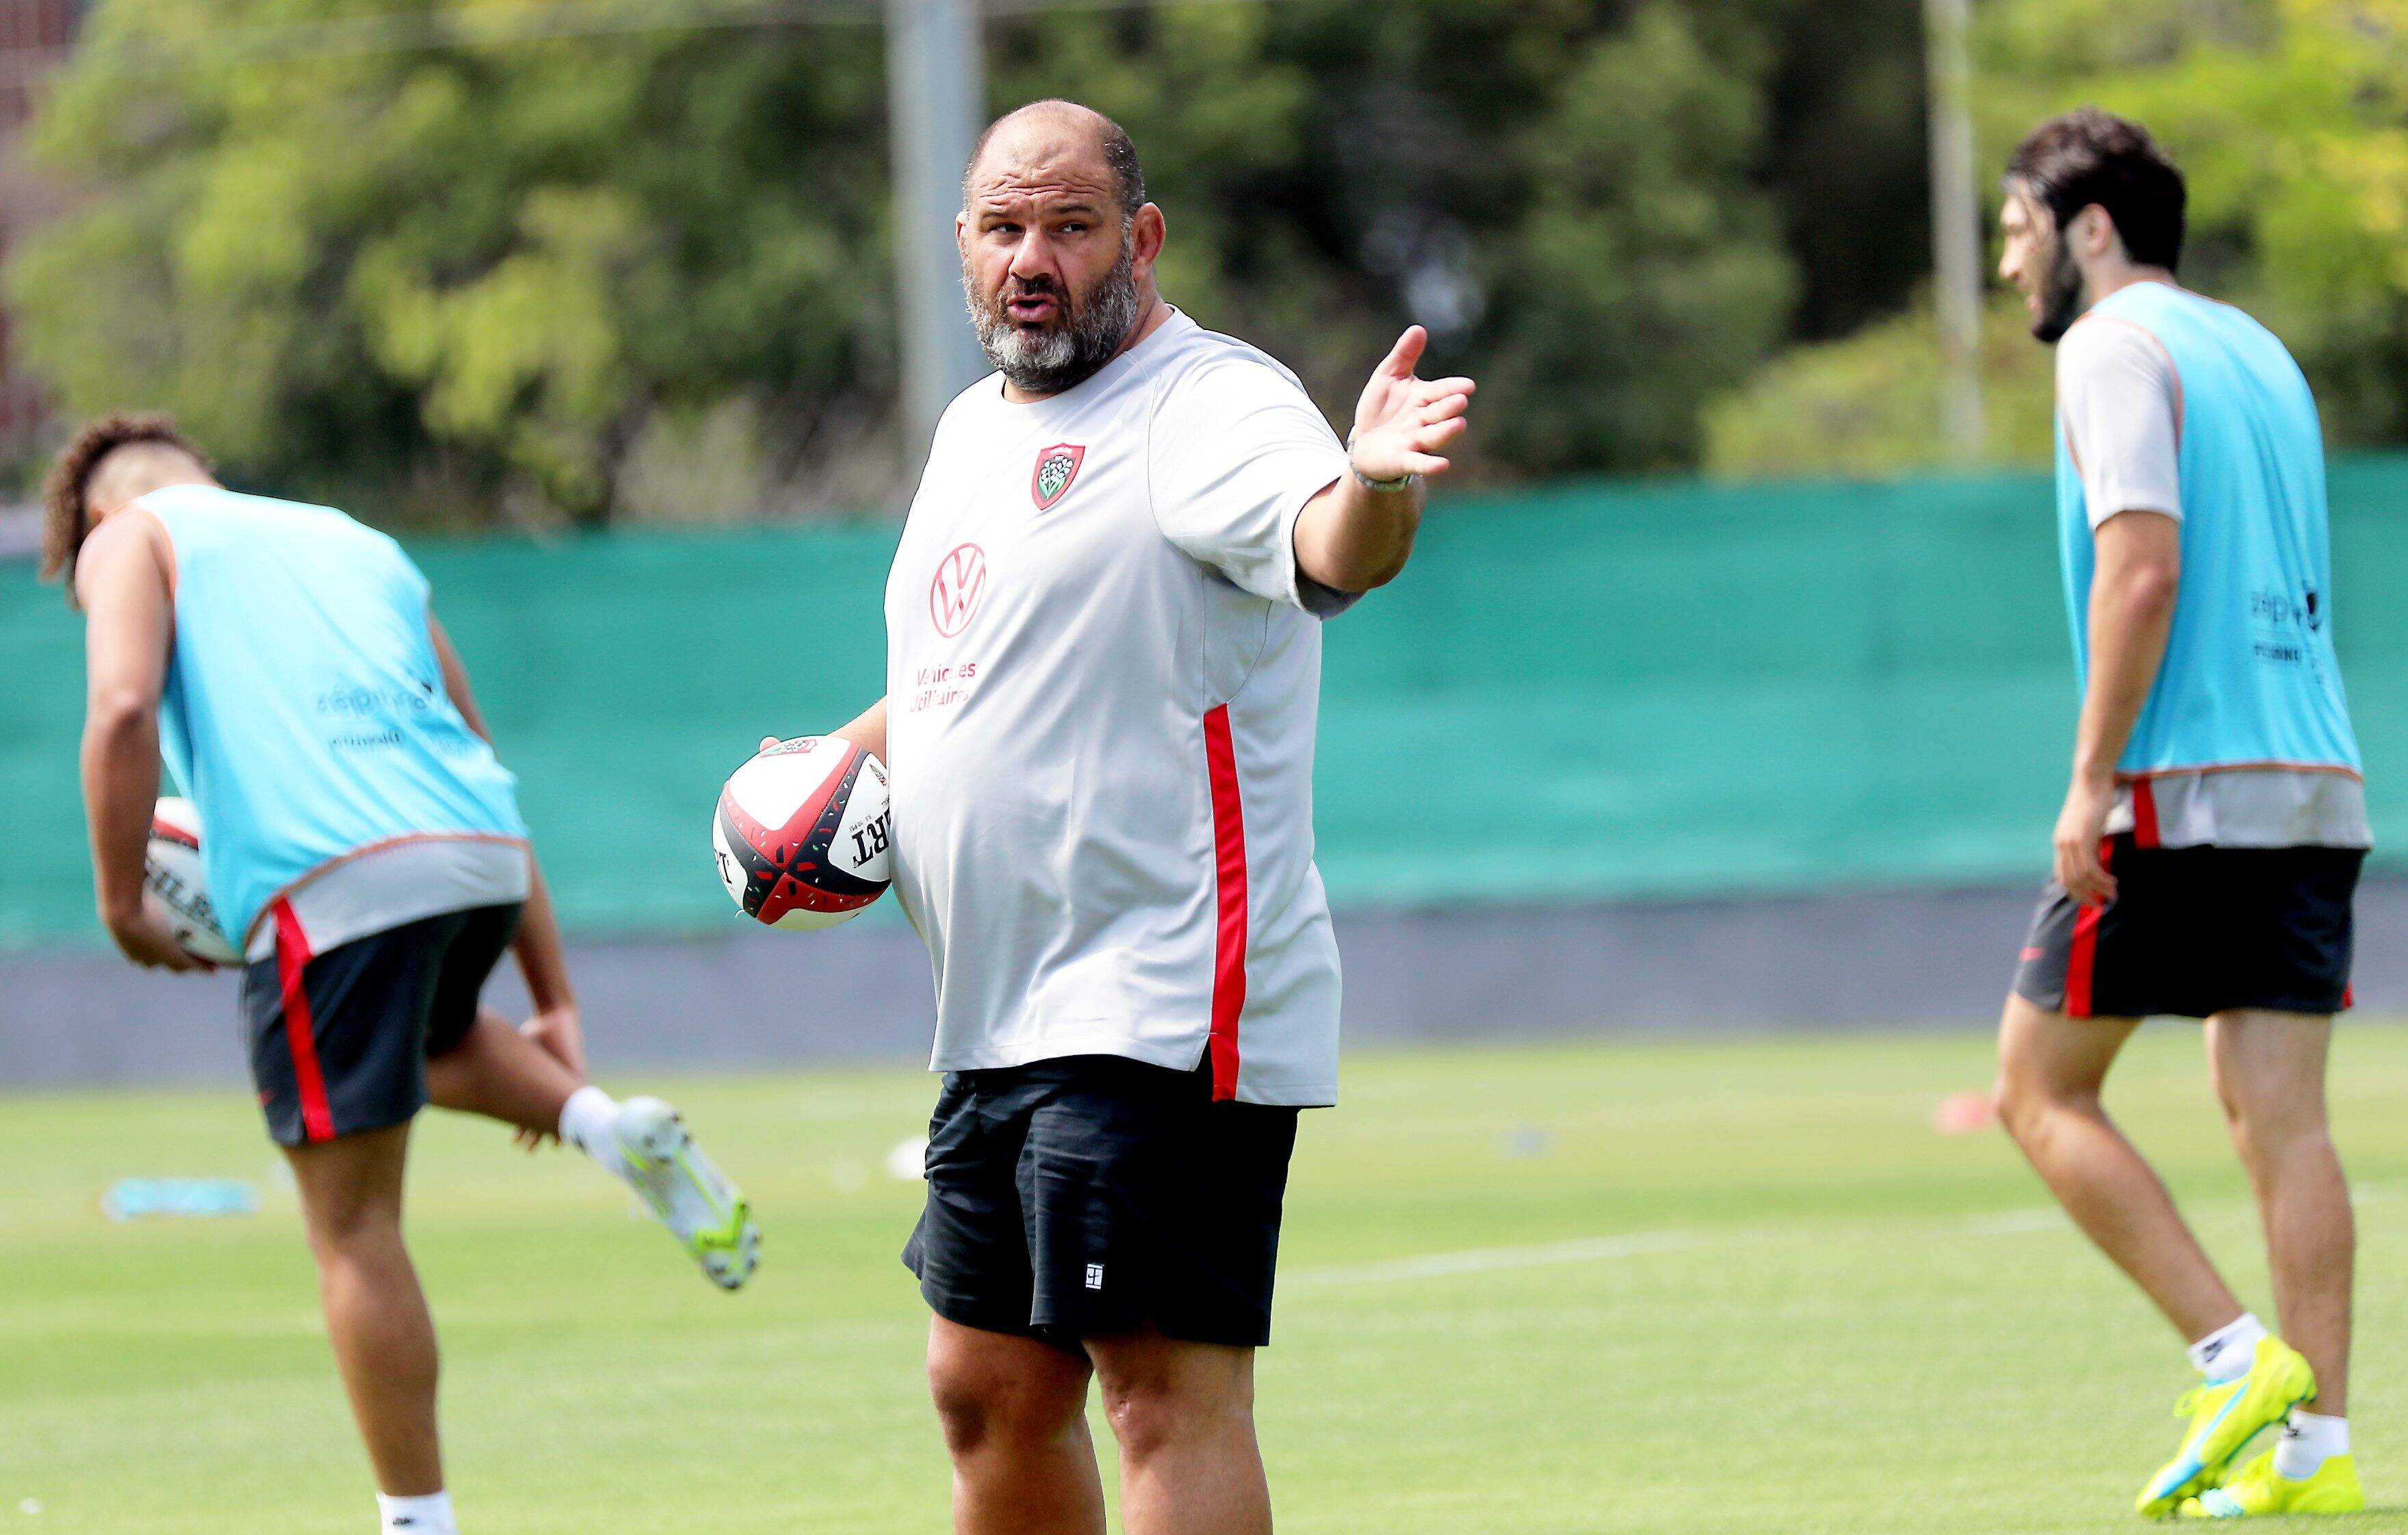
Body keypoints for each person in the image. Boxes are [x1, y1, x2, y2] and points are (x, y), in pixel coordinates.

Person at [796, 99, 1472, 1534]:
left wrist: (1371, 483)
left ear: (1141, 239)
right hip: (994, 1009)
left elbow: (1326, 544)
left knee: (1159, 1392)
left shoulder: (1206, 400)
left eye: (1068, 225)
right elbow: (944, 681)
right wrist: (808, 783)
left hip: (1162, 996)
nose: (1030, 257)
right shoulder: (973, 427)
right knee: (984, 1387)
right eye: (1001, 227)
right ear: (960, 243)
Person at [46, 415, 761, 1535]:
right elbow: (480, 757)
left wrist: (115, 900)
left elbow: (123, 707)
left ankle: (417, 1522)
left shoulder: (126, 535)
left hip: (325, 882)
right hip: (472, 852)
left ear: (96, 512)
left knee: (352, 1227)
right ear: (209, 470)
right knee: (426, 1041)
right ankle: (599, 1123)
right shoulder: (351, 537)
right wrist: (554, 994)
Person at [1990, 109, 2368, 1519]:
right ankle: (2316, 1457)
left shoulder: (2109, 346)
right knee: (2282, 1118)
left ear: (2091, 228)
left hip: (2180, 788)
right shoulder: (2259, 351)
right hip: (2316, 783)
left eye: (2020, 225)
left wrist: (2090, 781)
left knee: (2037, 1086)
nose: (2009, 257)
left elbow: (2140, 569)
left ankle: (2228, 1360)